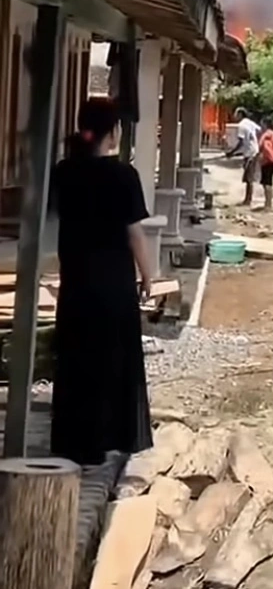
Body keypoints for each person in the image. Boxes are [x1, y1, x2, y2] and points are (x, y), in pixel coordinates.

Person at [50, 98, 153, 466]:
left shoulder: (64, 171)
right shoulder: (124, 175)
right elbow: (135, 234)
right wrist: (149, 275)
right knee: (110, 361)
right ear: (113, 133)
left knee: (76, 360)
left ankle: (74, 442)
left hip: (76, 281)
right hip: (113, 284)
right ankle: (105, 439)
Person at [226, 107, 260, 206]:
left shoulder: (241, 126)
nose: (234, 116)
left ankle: (248, 200)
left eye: (236, 114)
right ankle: (247, 199)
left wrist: (232, 152)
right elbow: (259, 130)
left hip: (250, 153)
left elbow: (241, 142)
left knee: (249, 177)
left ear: (240, 114)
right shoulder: (250, 123)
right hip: (254, 151)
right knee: (249, 177)